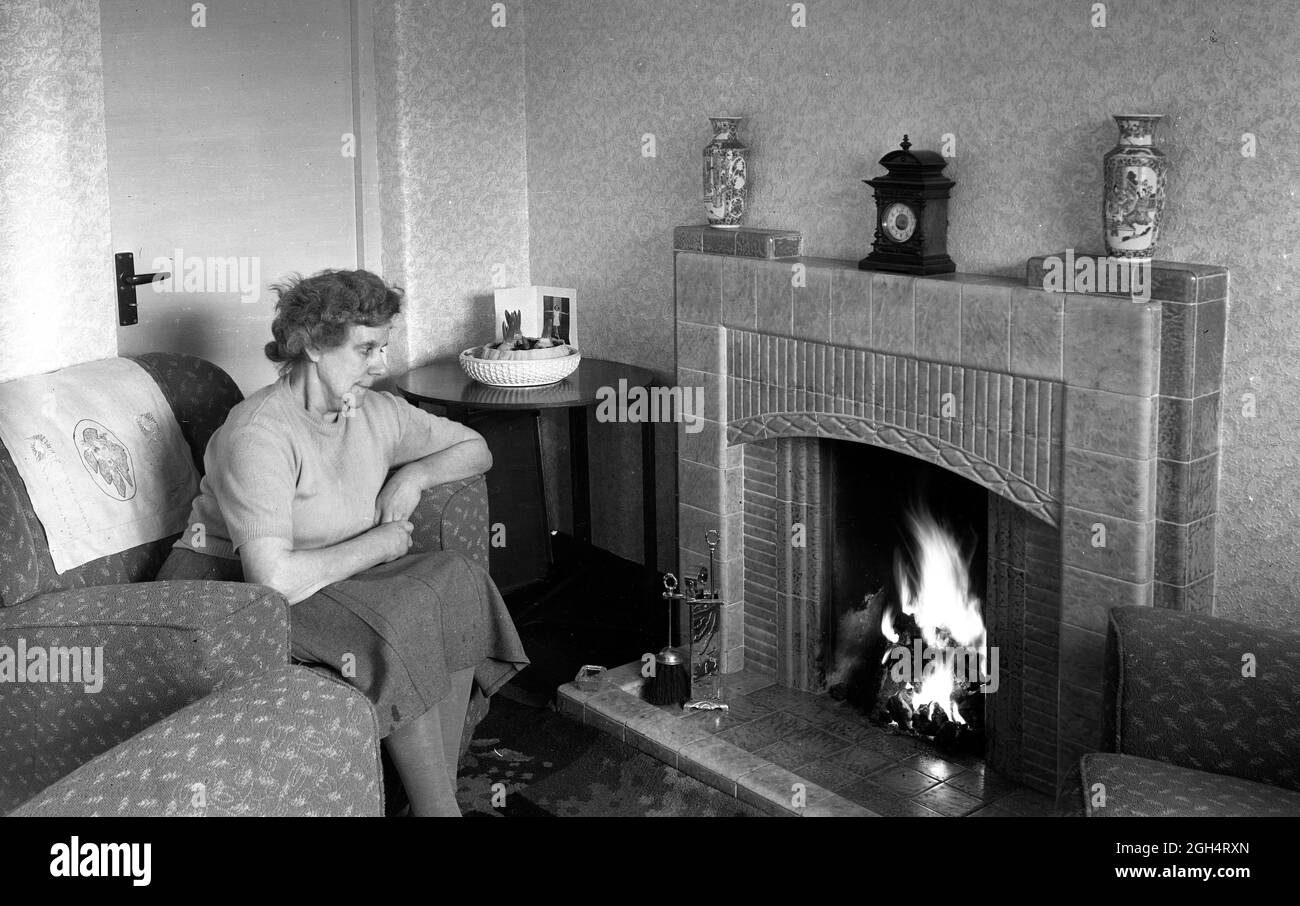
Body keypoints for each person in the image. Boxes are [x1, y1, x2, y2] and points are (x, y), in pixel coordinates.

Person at [155, 268, 528, 816]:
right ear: (309, 345)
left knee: (455, 578)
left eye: (384, 346)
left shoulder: (372, 410)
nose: (381, 365)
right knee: (402, 614)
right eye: (366, 349)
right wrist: (379, 545)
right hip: (228, 595)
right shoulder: (259, 433)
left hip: (324, 575)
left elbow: (476, 448)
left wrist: (412, 477)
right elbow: (273, 579)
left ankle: (436, 802)